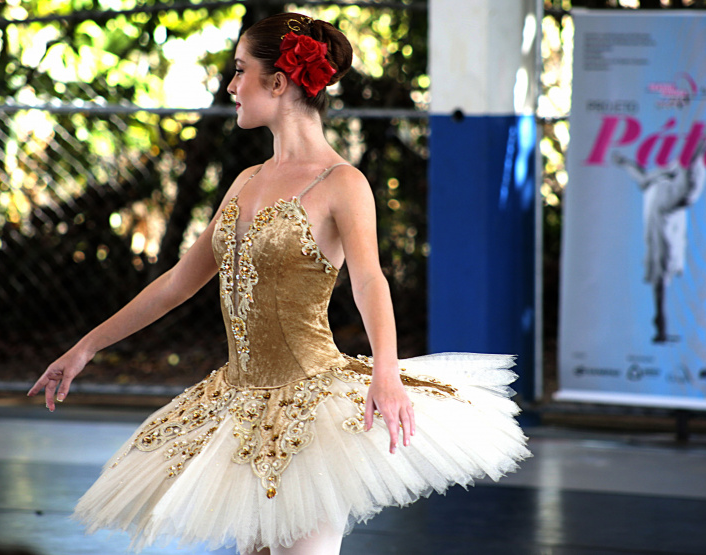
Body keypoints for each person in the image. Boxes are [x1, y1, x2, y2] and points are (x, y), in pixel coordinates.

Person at [28, 13, 529, 555]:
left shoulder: (343, 182)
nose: (231, 86)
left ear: (279, 81)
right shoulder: (246, 181)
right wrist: (84, 349)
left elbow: (370, 281)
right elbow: (177, 282)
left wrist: (386, 373)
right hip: (239, 406)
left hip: (313, 412)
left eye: (240, 71)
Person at [613, 103, 706, 343]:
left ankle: (661, 320)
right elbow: (643, 177)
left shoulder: (686, 171)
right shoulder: (681, 167)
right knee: (661, 269)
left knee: (664, 268)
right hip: (663, 205)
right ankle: (660, 321)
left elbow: (705, 139)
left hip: (668, 208)